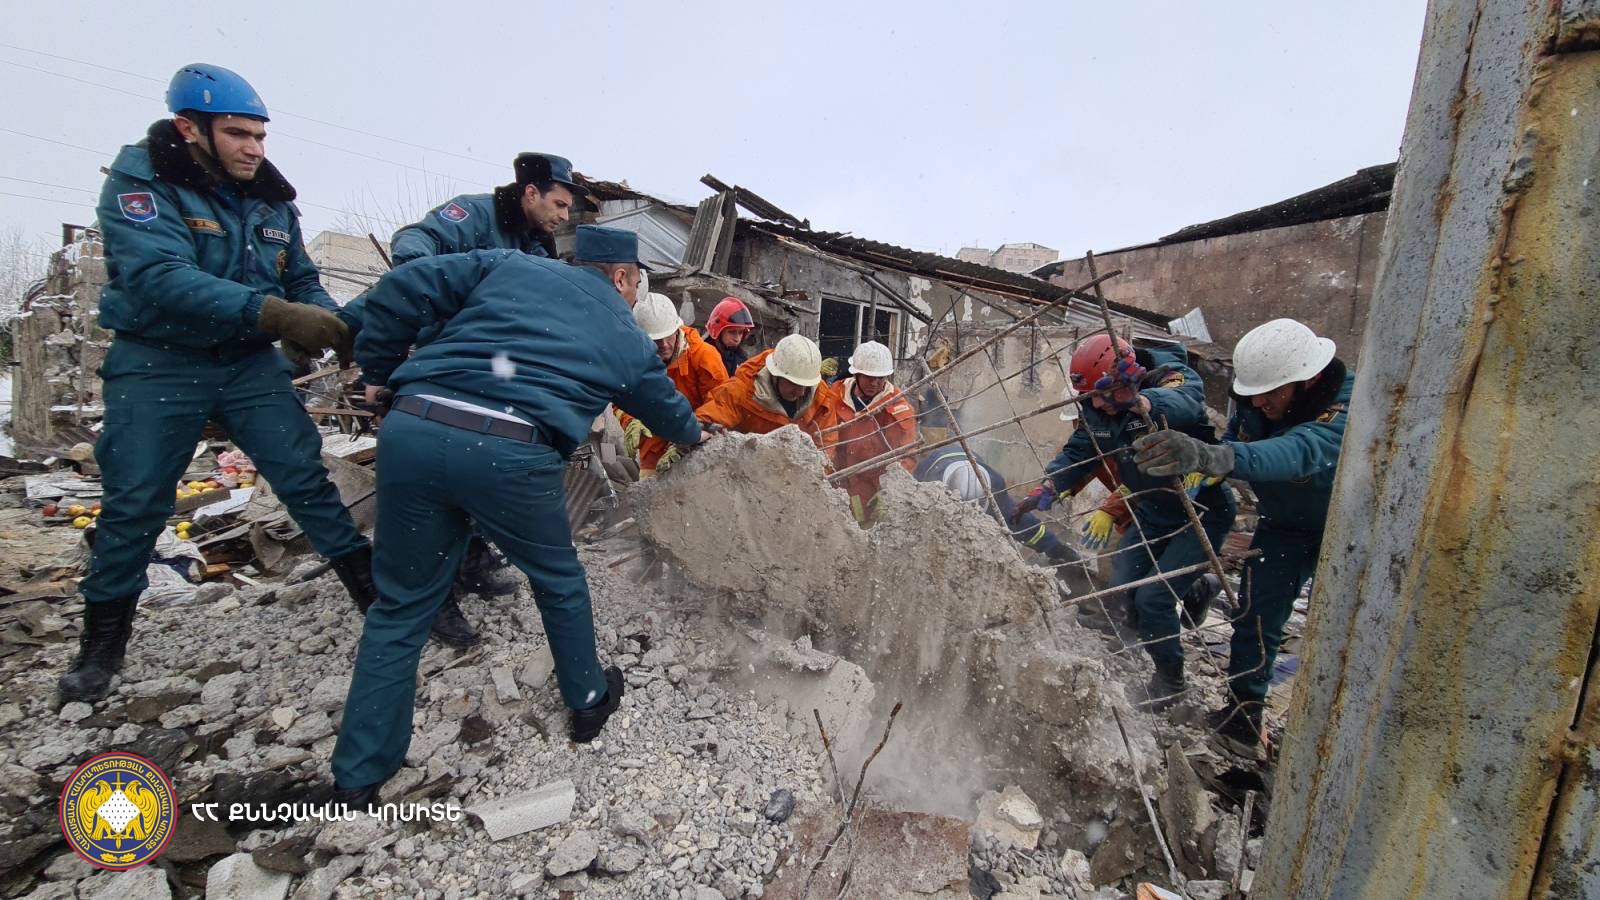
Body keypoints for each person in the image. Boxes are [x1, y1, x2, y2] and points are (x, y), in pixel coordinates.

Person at [331, 226, 703, 804]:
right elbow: (670, 415)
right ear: (622, 277)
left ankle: (357, 776)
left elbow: (402, 287)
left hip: (413, 430)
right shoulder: (624, 335)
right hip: (509, 451)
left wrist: (378, 372)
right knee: (556, 576)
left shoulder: (507, 264)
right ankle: (588, 702)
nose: (633, 298)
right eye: (635, 287)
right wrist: (699, 437)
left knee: (400, 604)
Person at [60, 64, 377, 702]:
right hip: (159, 361)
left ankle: (373, 596)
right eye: (237, 134)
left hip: (247, 364)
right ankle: (102, 646)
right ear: (189, 129)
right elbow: (159, 275)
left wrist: (327, 321)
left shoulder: (272, 200)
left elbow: (300, 280)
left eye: (259, 136)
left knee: (305, 479)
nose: (253, 148)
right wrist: (275, 315)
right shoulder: (141, 185)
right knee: (137, 499)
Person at [341, 154, 592, 645]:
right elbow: (413, 242)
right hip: (438, 364)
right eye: (560, 205)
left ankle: (471, 560)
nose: (564, 217)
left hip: (487, 372)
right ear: (531, 193)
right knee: (430, 479)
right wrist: (438, 287)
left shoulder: (536, 248)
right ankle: (429, 597)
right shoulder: (474, 216)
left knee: (475, 464)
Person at [1132, 318, 1352, 754]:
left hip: (1346, 528)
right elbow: (1240, 435)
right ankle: (1244, 715)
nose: (1259, 402)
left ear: (1307, 381)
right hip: (1284, 525)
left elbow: (1301, 450)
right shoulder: (1257, 400)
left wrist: (1218, 457)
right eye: (1253, 395)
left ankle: (1331, 740)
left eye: (1271, 394)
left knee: (1342, 633)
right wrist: (1207, 473)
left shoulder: (1347, 404)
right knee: (1255, 615)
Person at [1012, 335, 1236, 710]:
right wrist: (1050, 486)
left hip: (1198, 509)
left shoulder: (1170, 379)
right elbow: (1079, 451)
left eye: (1104, 394)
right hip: (1151, 508)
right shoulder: (1096, 408)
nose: (1098, 404)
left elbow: (1185, 401)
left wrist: (1142, 402)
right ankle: (1181, 602)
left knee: (1153, 599)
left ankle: (1171, 682)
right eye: (1091, 397)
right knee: (1124, 587)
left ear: (1126, 378)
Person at [914, 448, 1087, 590]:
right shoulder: (930, 485)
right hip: (936, 461)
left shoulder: (994, 487)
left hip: (972, 459)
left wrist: (1056, 548)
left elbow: (1021, 523)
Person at [622, 293, 729, 477]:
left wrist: (686, 436)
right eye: (656, 340)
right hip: (653, 445)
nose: (664, 344)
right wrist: (630, 420)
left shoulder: (705, 357)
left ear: (677, 329)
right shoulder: (634, 359)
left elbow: (720, 406)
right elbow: (621, 395)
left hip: (699, 443)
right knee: (649, 490)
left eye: (668, 336)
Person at [829, 341, 917, 525]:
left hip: (873, 488)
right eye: (869, 378)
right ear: (857, 374)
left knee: (865, 527)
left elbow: (906, 456)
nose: (875, 383)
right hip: (837, 483)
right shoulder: (835, 395)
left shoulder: (897, 409)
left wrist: (890, 492)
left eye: (880, 378)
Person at [695, 334, 837, 444]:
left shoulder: (821, 399)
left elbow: (826, 446)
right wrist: (699, 432)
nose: (801, 392)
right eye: (794, 384)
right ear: (775, 374)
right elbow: (708, 419)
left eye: (806, 386)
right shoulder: (742, 391)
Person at [704, 297, 756, 376]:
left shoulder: (742, 359)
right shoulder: (701, 356)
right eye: (732, 332)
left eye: (741, 332)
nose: (737, 339)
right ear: (718, 331)